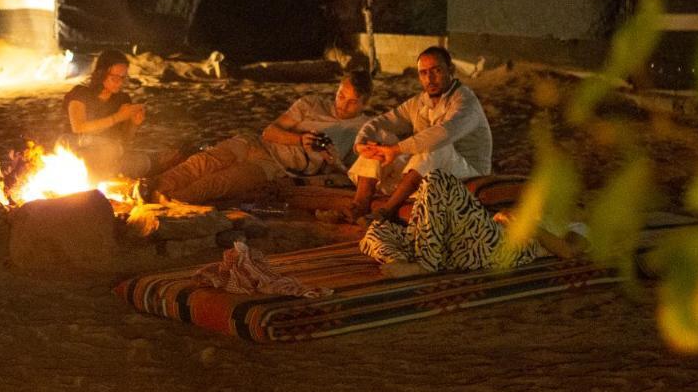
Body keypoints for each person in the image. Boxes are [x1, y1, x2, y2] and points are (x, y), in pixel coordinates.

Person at [150, 70, 373, 205]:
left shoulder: (363, 129)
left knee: (219, 182)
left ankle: (167, 202)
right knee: (203, 162)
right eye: (341, 95)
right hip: (256, 143)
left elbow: (351, 175)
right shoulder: (311, 103)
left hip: (274, 166)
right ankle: (150, 189)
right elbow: (269, 132)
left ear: (365, 103)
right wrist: (299, 139)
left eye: (352, 101)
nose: (342, 104)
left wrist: (332, 161)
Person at [348, 46, 491, 221]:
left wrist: (397, 149)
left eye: (436, 71)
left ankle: (386, 211)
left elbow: (442, 133)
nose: (429, 79)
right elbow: (381, 122)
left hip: (467, 173)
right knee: (378, 142)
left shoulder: (465, 102)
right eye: (423, 73)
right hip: (427, 171)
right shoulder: (419, 102)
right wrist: (361, 142)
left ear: (450, 70)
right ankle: (358, 207)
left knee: (436, 145)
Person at [359, 171, 588, 278]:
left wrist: (526, 226)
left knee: (438, 180)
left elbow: (569, 251)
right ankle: (402, 260)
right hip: (471, 246)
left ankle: (424, 265)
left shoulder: (577, 223)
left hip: (502, 248)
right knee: (378, 230)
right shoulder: (538, 210)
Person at [61, 50, 149, 177]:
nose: (120, 82)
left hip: (106, 150)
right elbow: (78, 127)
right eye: (114, 78)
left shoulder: (122, 99)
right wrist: (118, 117)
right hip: (76, 146)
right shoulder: (80, 94)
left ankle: (102, 172)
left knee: (142, 162)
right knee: (110, 149)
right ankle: (102, 172)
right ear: (101, 74)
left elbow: (124, 140)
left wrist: (134, 124)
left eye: (123, 78)